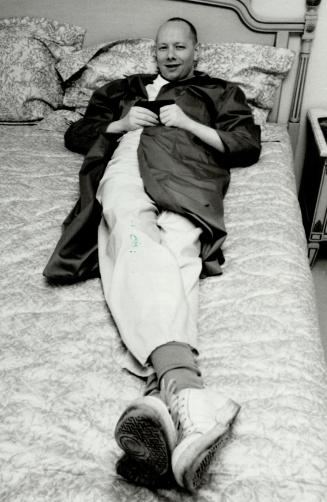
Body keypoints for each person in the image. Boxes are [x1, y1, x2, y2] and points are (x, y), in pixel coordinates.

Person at [44, 17, 261, 492]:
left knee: (177, 250)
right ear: (153, 52)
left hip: (188, 176)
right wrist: (121, 124)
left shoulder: (221, 93)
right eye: (162, 47)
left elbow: (246, 146)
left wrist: (187, 123)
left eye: (179, 47)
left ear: (196, 52)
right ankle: (190, 396)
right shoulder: (124, 89)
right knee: (137, 242)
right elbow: (76, 135)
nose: (169, 54)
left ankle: (164, 401)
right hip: (127, 168)